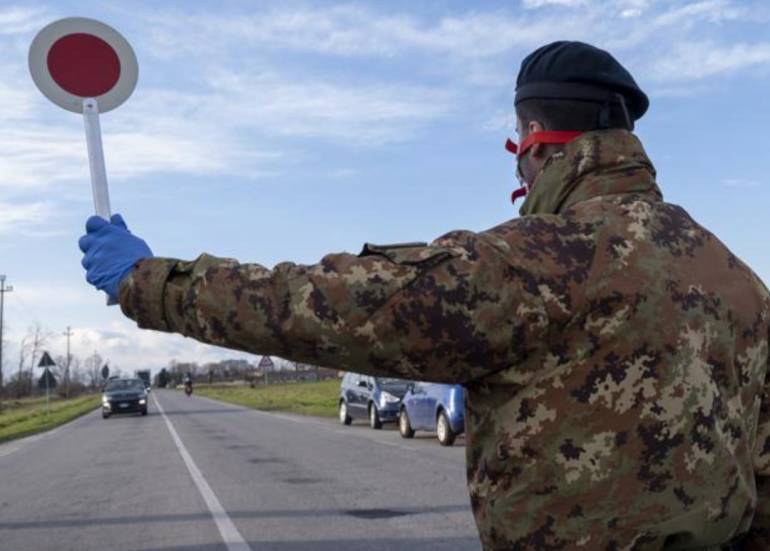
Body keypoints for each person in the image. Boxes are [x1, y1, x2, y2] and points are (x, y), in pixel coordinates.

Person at [78, 41, 770, 550]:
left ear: (535, 141)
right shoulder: (737, 278)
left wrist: (150, 281)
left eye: (518, 145)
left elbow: (320, 306)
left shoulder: (535, 261)